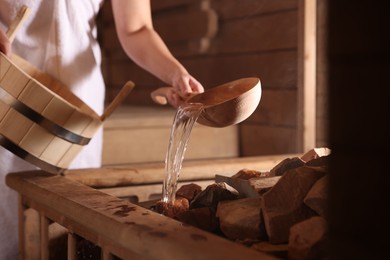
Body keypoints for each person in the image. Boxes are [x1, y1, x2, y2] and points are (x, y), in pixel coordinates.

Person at [0, 0, 204, 258]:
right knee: (6, 224)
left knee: (71, 228)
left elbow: (136, 27)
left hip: (78, 106)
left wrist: (175, 74)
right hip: (8, 85)